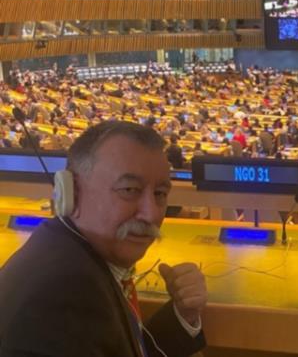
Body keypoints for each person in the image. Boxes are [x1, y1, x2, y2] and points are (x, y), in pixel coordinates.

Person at [0, 121, 207, 356]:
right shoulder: (67, 292)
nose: (151, 214)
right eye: (129, 190)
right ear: (71, 194)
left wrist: (183, 315)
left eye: (160, 194)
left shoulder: (67, 253)